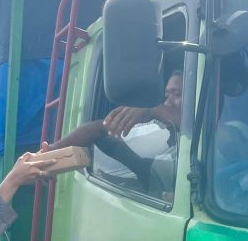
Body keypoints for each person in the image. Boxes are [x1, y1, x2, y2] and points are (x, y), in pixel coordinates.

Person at [50, 70, 183, 199]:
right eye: (166, 95)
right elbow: (100, 128)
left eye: (177, 94)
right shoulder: (153, 129)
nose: (168, 102)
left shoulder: (197, 144)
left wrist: (152, 112)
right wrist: (52, 151)